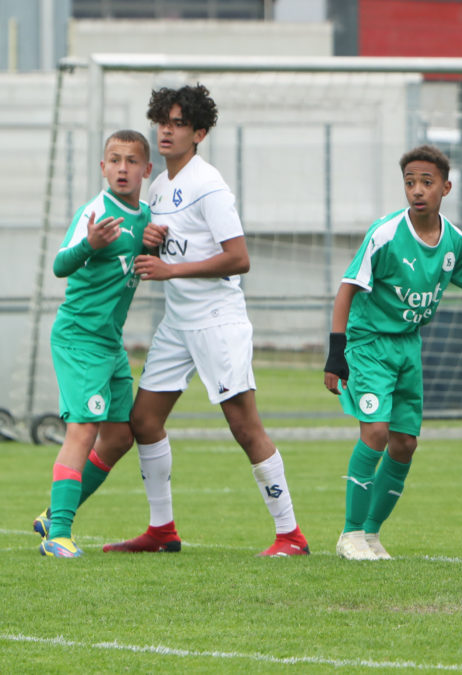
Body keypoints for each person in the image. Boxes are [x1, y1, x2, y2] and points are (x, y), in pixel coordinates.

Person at [96, 84, 310, 556]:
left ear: (200, 132)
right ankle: (162, 531)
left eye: (178, 124)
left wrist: (169, 268)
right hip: (178, 323)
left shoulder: (209, 184)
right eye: (163, 122)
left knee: (244, 426)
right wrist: (151, 242)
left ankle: (290, 535)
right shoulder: (159, 187)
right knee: (144, 420)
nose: (167, 131)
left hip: (217, 320)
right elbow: (173, 247)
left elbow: (238, 258)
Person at [323, 145, 462, 561]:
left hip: (409, 346)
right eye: (410, 183)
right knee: (375, 432)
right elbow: (347, 289)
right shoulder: (386, 234)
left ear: (446, 186)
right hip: (370, 344)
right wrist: (336, 355)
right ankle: (349, 533)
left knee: (404, 443)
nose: (417, 191)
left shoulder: (454, 241)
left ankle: (370, 534)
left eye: (426, 183)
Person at [36, 130, 153, 557]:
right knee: (83, 428)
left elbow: (143, 247)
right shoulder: (95, 211)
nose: (123, 168)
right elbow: (59, 265)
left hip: (109, 343)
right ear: (103, 167)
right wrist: (90, 244)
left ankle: (54, 515)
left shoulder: (146, 217)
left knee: (120, 436)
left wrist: (153, 244)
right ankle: (58, 535)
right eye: (115, 160)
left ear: (146, 169)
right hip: (79, 338)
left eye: (131, 161)